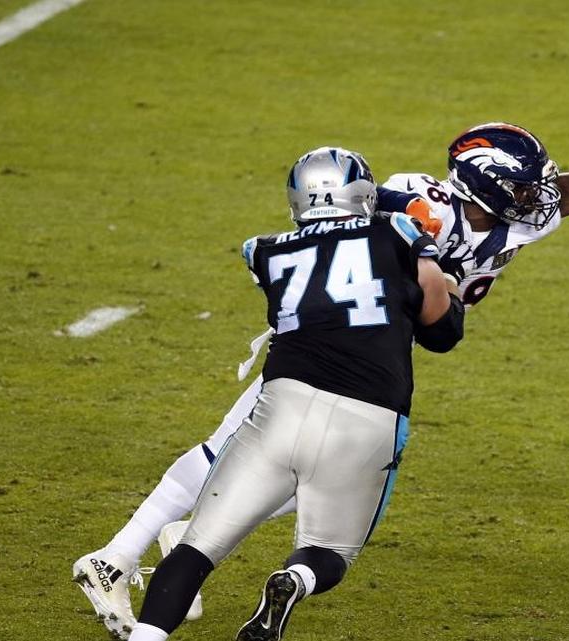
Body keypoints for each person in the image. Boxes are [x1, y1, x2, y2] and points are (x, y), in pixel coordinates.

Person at [73, 125, 569, 639]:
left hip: (373, 359)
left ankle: (170, 543)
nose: (540, 197)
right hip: (327, 348)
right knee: (234, 455)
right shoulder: (409, 203)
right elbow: (328, 241)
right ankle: (115, 556)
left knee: (272, 469)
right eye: (524, 186)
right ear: (483, 184)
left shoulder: (512, 217)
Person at [122, 146, 465, 641]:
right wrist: (443, 286)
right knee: (330, 551)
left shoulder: (261, 250)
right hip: (367, 417)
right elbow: (440, 328)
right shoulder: (395, 230)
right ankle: (294, 579)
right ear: (362, 193)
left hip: (279, 407)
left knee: (195, 550)